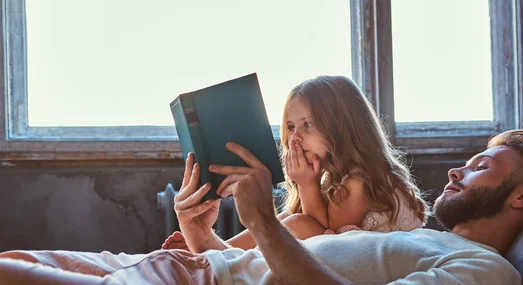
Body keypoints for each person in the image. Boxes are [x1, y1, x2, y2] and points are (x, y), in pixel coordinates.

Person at [0, 130, 523, 285]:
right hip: (180, 269)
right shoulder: (423, 240)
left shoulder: (490, 276)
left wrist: (266, 225)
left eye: (480, 166)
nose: (455, 172)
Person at [162, 76, 428, 251]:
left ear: (343, 126)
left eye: (307, 124)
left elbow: (324, 237)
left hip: (365, 268)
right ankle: (221, 252)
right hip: (335, 252)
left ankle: (223, 257)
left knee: (298, 223)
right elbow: (292, 224)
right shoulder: (334, 181)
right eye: (291, 126)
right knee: (287, 219)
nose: (296, 136)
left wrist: (307, 183)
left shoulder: (359, 181)